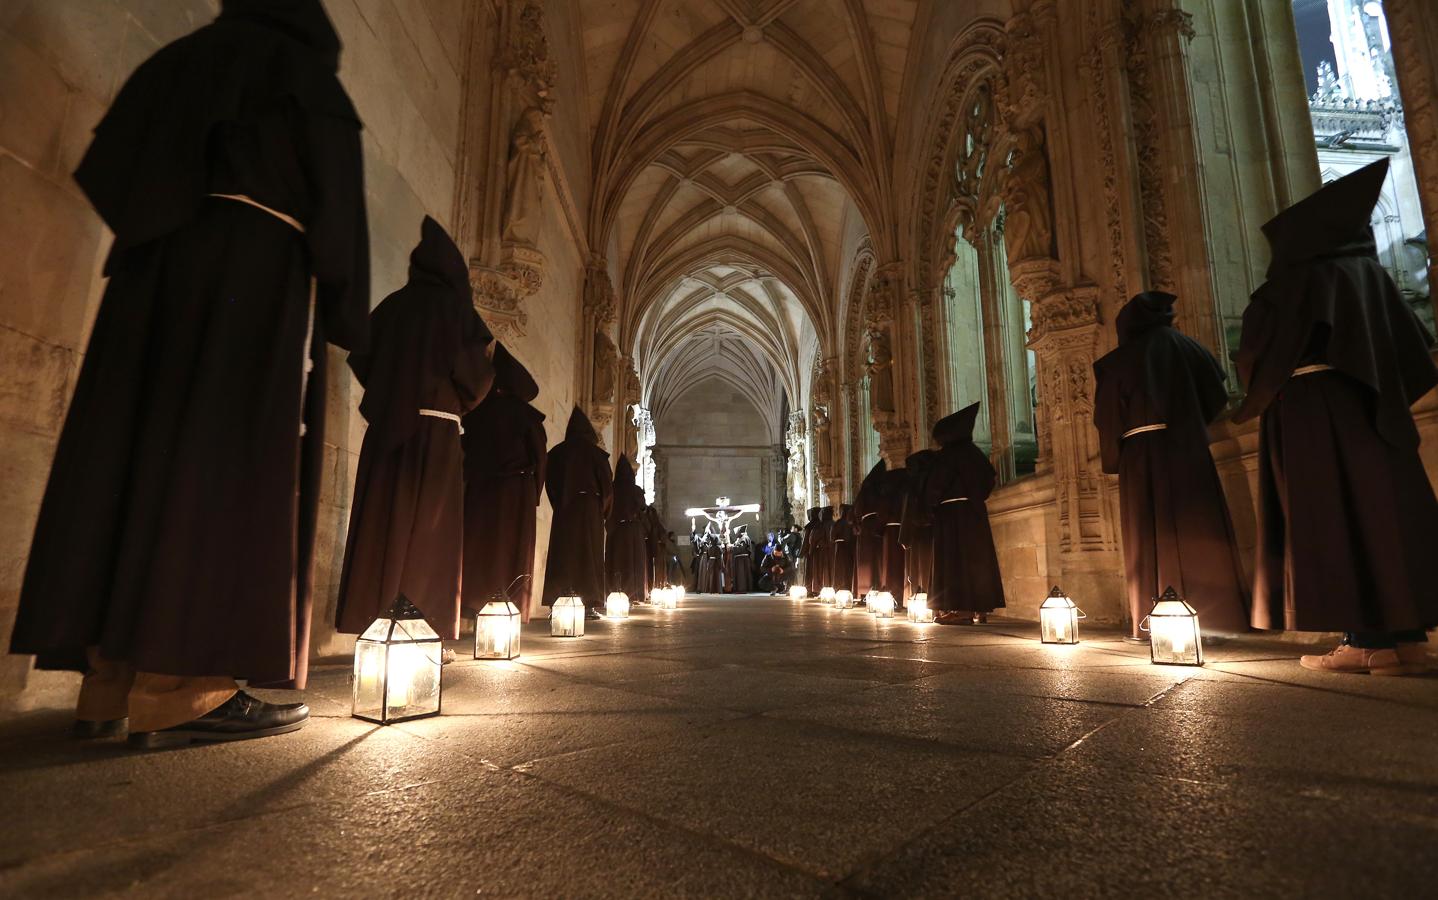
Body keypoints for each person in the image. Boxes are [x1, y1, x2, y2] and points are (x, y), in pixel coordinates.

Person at [9, 0, 369, 749]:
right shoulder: (304, 80)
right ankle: (185, 688)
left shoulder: (176, 61)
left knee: (128, 457)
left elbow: (110, 168)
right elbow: (336, 212)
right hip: (253, 277)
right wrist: (344, 311)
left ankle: (105, 684)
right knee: (216, 468)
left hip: (151, 279)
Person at [1233, 159, 1438, 674]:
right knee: (1386, 515)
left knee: (1332, 516)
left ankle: (1366, 641)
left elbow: (1255, 354)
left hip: (1310, 415)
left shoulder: (1293, 282)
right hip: (1375, 407)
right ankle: (1408, 639)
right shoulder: (1369, 276)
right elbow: (1415, 351)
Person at [336, 217, 495, 642]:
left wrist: (396, 391)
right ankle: (425, 633)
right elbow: (476, 380)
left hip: (388, 430)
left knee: (382, 525)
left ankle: (372, 629)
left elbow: (362, 359)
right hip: (438, 435)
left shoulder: (391, 306)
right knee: (430, 536)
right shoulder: (459, 314)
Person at [1093, 290, 1250, 638]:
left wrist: (1116, 456)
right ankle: (1218, 618)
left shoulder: (1118, 362)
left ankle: (1154, 621)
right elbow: (1216, 397)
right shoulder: (1193, 350)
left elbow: (1108, 418)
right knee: (1197, 526)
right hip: (1189, 448)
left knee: (1150, 531)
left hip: (1141, 452)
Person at [460, 343, 547, 621]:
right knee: (511, 552)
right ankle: (508, 610)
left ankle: (472, 606)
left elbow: (465, 450)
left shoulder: (477, 413)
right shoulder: (527, 417)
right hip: (515, 493)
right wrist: (533, 493)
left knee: (478, 548)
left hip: (479, 491)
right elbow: (539, 457)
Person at [925, 403, 1005, 624]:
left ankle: (960, 609)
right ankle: (980, 608)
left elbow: (935, 485)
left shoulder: (948, 455)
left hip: (951, 515)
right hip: (974, 512)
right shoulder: (974, 453)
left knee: (954, 560)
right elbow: (988, 478)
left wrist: (931, 505)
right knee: (976, 560)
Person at [542, 408, 613, 618]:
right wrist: (603, 511)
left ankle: (558, 602)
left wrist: (559, 505)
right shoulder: (597, 455)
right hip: (590, 509)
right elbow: (607, 487)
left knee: (562, 555)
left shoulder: (556, 453)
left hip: (565, 509)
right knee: (588, 555)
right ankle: (589, 603)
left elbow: (550, 484)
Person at [605, 455, 648, 607]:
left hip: (616, 530)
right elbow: (642, 508)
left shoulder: (612, 487)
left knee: (616, 562)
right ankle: (633, 594)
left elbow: (606, 506)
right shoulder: (636, 490)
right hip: (632, 531)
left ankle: (613, 592)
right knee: (632, 562)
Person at [899, 448, 938, 598]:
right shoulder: (936, 480)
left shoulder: (914, 485)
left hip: (919, 533)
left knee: (921, 568)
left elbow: (909, 511)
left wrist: (905, 537)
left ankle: (926, 598)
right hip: (938, 530)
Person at [853, 461, 886, 596]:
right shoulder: (881, 490)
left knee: (867, 560)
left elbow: (855, 512)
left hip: (866, 527)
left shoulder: (864, 493)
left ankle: (866, 590)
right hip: (878, 525)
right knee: (878, 560)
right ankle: (878, 587)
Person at [878, 465, 910, 606]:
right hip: (904, 528)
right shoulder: (906, 492)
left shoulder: (887, 496)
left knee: (890, 564)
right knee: (902, 563)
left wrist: (878, 530)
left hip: (890, 533)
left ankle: (893, 594)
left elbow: (882, 514)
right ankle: (902, 594)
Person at [830, 504, 857, 595]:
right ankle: (849, 587)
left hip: (840, 548)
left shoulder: (838, 523)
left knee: (839, 568)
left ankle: (839, 587)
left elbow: (832, 536)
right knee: (848, 568)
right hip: (850, 549)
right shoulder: (851, 522)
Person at [731, 529, 754, 593]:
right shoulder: (739, 539)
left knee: (741, 574)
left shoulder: (744, 538)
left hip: (742, 559)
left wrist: (732, 548)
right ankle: (739, 588)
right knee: (740, 574)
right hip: (739, 559)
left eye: (737, 532)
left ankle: (742, 589)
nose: (736, 534)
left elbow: (741, 549)